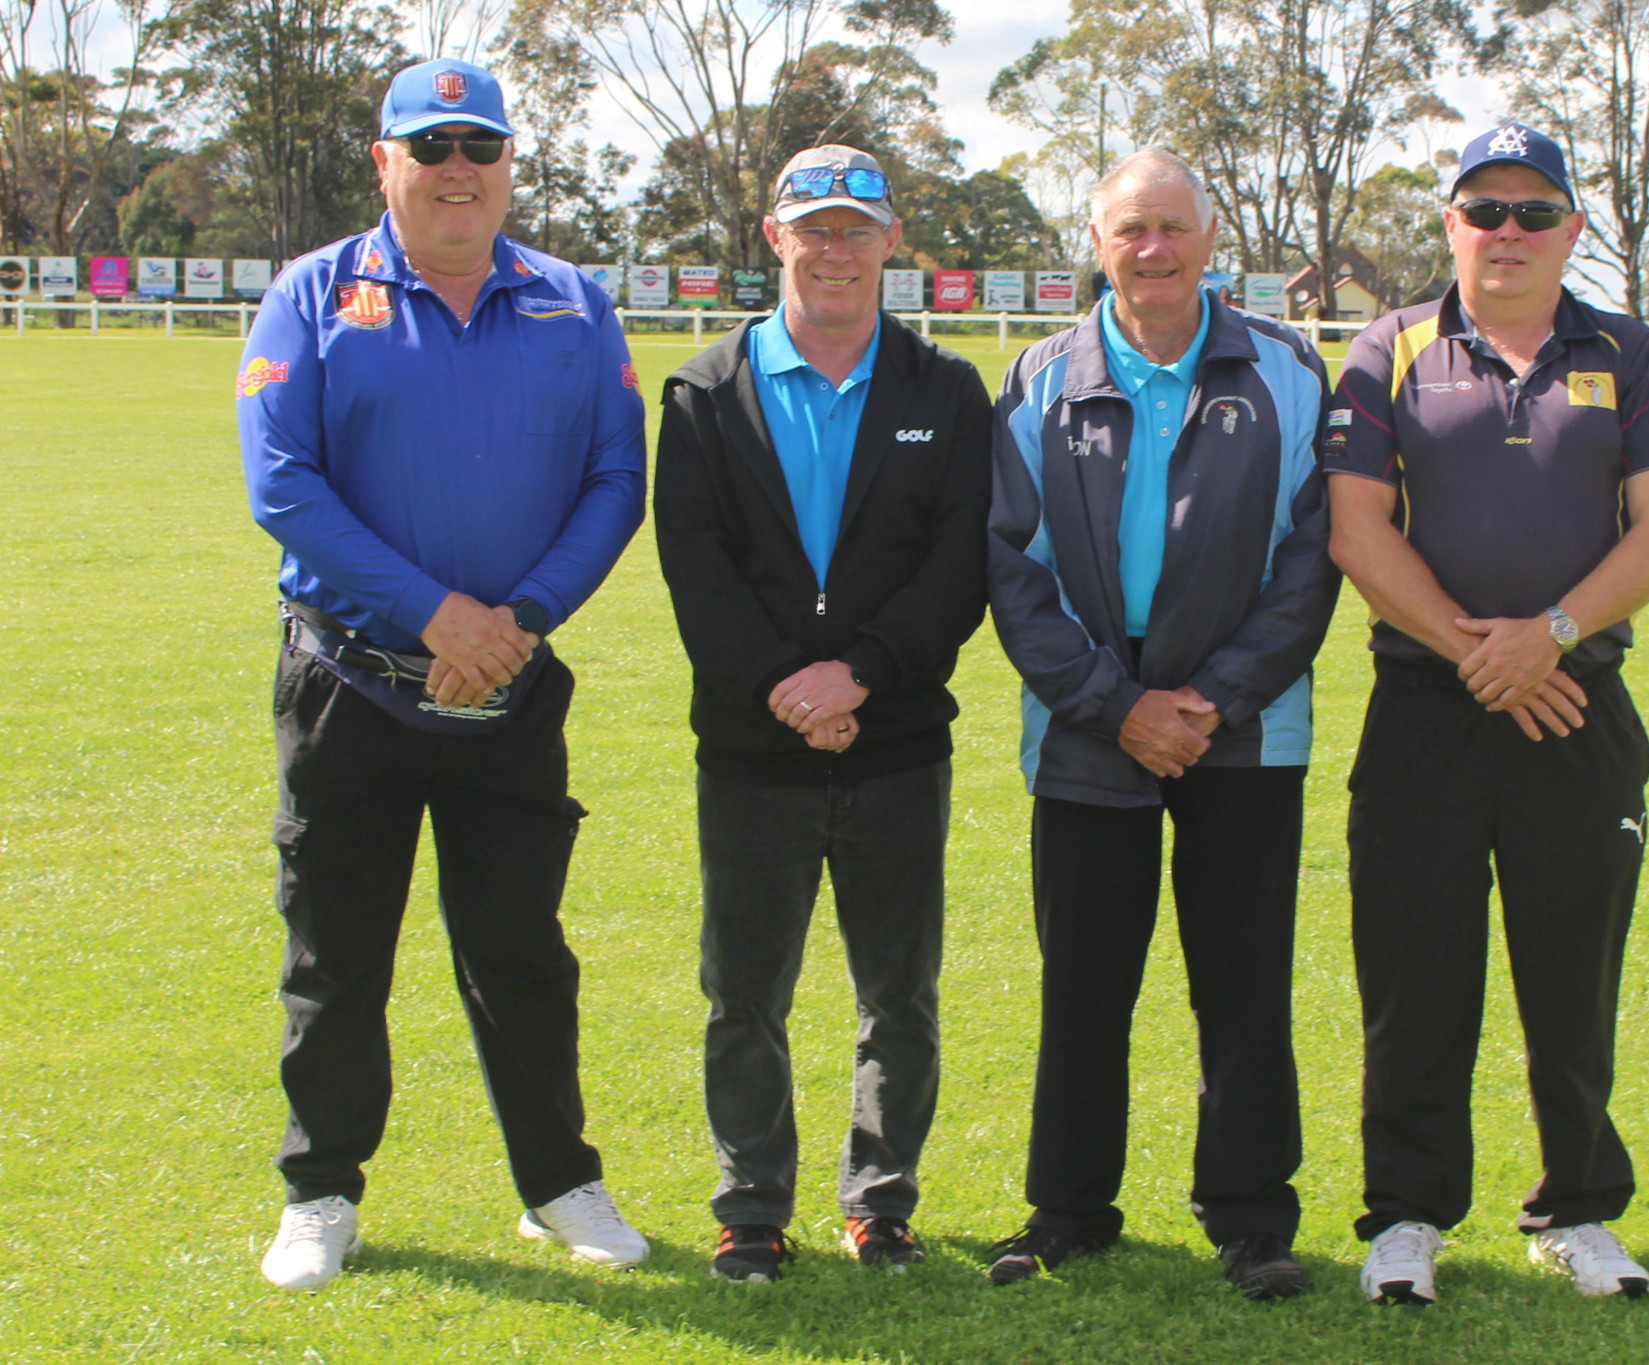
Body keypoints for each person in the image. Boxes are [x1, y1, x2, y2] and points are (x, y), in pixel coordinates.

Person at [237, 57, 648, 1292]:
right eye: (430, 148)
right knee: (335, 952)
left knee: (521, 947)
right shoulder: (311, 297)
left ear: (511, 162)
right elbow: (283, 484)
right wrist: (434, 616)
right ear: (386, 163)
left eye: (479, 146)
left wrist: (511, 621)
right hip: (347, 683)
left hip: (511, 688)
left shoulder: (572, 303)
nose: (456, 168)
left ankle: (558, 1184)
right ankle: (321, 1193)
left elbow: (614, 481)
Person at [1324, 123, 1649, 1306]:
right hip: (1425, 706)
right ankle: (1406, 1219)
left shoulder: (1627, 352)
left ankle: (1577, 1210)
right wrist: (1478, 650)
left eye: (1535, 212)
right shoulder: (1388, 347)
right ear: (1449, 225)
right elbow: (1355, 530)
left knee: (1569, 968)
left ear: (1572, 229)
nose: (1507, 232)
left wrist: (1550, 639)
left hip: (1576, 703)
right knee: (1413, 970)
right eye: (1483, 210)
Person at [985, 148, 1340, 1300]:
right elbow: (1010, 570)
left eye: (1171, 228)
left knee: (1240, 979)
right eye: (1129, 229)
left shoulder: (1285, 370)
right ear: (1096, 243)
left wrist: (1210, 700)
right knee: (1084, 978)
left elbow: (1309, 562)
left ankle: (1248, 1218)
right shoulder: (1042, 377)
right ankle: (1069, 1209)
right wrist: (1112, 705)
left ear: (1207, 236)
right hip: (1089, 719)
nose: (1152, 249)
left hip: (1240, 726)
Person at [652, 145, 992, 1283]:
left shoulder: (943, 390)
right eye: (815, 227)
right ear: (773, 236)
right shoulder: (703, 391)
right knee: (743, 991)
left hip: (895, 740)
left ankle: (879, 1203)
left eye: (857, 228)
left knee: (898, 992)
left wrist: (862, 675)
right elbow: (695, 570)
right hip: (752, 748)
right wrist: (786, 691)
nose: (835, 249)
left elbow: (956, 565)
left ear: (892, 242)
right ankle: (751, 1204)